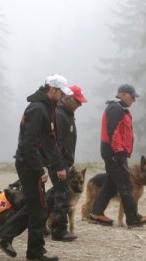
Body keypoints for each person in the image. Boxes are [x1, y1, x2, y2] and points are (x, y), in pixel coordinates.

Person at [0, 74, 72, 261]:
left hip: (32, 163)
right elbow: (29, 144)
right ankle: (34, 251)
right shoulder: (38, 109)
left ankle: (4, 235)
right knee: (39, 208)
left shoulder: (48, 107)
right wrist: (40, 170)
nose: (63, 97)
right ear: (52, 90)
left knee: (36, 206)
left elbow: (49, 142)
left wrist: (57, 165)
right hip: (29, 163)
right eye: (61, 93)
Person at [88, 84, 146, 228]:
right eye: (132, 96)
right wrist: (118, 152)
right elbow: (114, 131)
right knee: (126, 184)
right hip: (115, 152)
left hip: (112, 151)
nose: (134, 100)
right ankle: (133, 218)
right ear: (122, 94)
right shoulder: (116, 109)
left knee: (111, 183)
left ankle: (96, 213)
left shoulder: (117, 108)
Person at [45, 85, 88, 241]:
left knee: (53, 194)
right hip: (59, 163)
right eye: (77, 101)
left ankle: (39, 223)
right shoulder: (60, 115)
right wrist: (59, 166)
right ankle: (59, 230)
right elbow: (55, 143)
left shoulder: (67, 114)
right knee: (63, 194)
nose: (79, 105)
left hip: (64, 162)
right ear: (68, 98)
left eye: (80, 103)